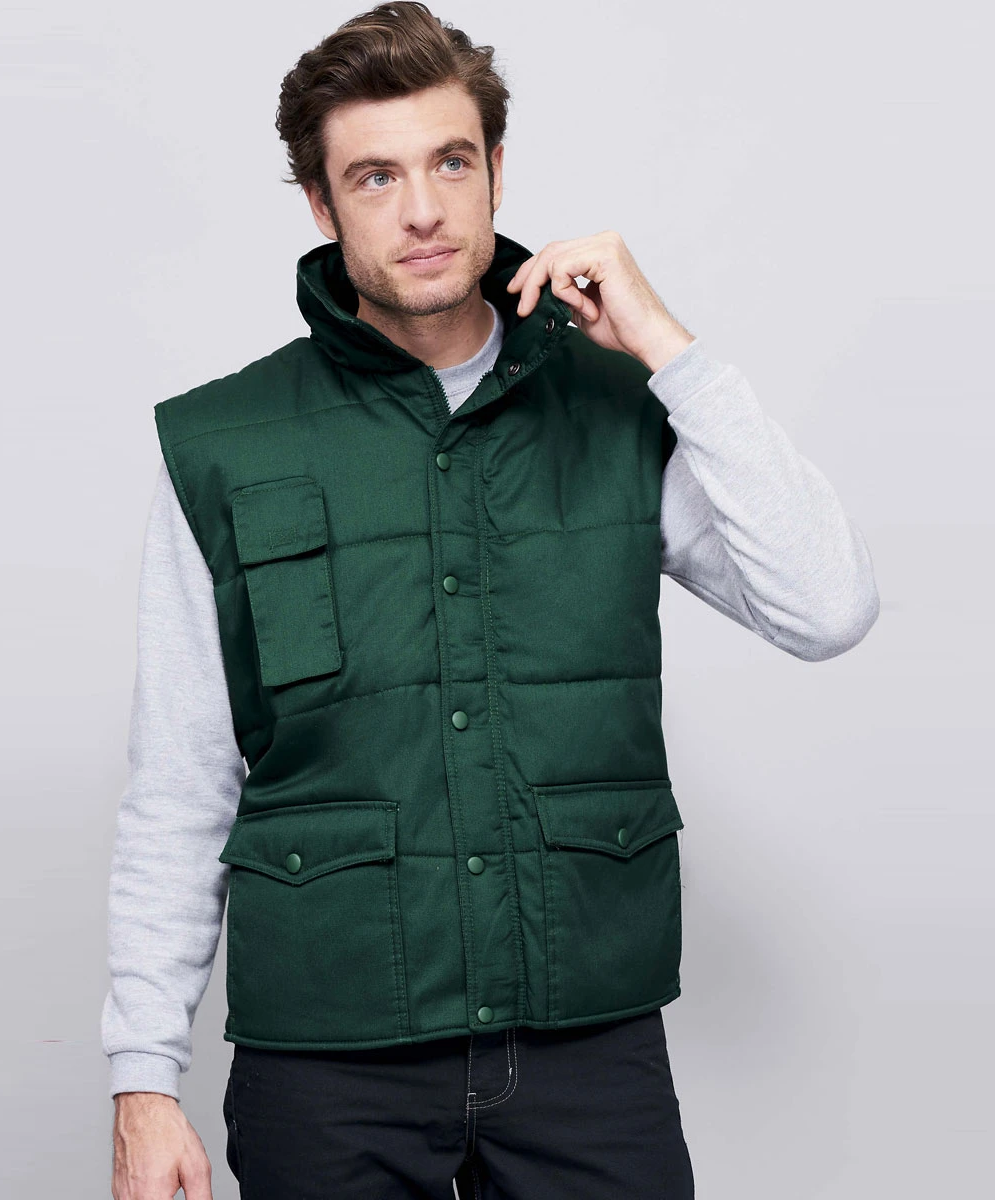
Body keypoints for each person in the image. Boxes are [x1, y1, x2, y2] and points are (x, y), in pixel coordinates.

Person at [101, 4, 880, 1197]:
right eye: (376, 176)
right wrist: (144, 1079)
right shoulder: (224, 444)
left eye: (451, 163)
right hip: (329, 1058)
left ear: (497, 172)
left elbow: (828, 608)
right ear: (320, 204)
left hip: (588, 1045)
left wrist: (672, 352)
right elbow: (179, 786)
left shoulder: (618, 407)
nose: (423, 210)